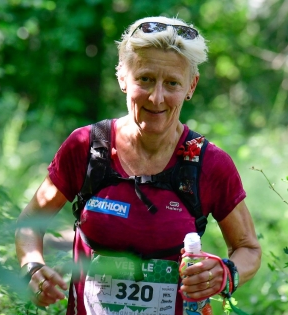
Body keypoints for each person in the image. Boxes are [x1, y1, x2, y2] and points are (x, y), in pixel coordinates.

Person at [15, 16, 261, 315]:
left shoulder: (208, 162)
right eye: (145, 79)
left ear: (191, 86)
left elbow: (248, 248)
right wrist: (33, 267)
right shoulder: (87, 147)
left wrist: (225, 273)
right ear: (122, 77)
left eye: (172, 83)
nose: (157, 97)